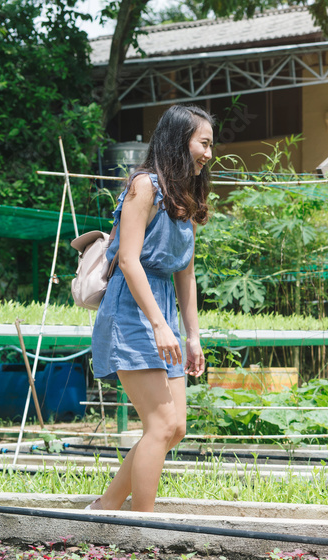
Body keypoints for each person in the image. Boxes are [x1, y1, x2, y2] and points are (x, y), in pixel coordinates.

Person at [85, 104, 213, 513]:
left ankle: (106, 506)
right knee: (160, 425)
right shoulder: (144, 186)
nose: (209, 153)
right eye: (204, 143)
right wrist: (159, 325)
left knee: (174, 428)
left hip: (164, 313)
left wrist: (192, 336)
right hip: (132, 311)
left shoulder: (184, 201)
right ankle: (143, 524)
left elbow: (185, 276)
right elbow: (128, 259)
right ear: (180, 140)